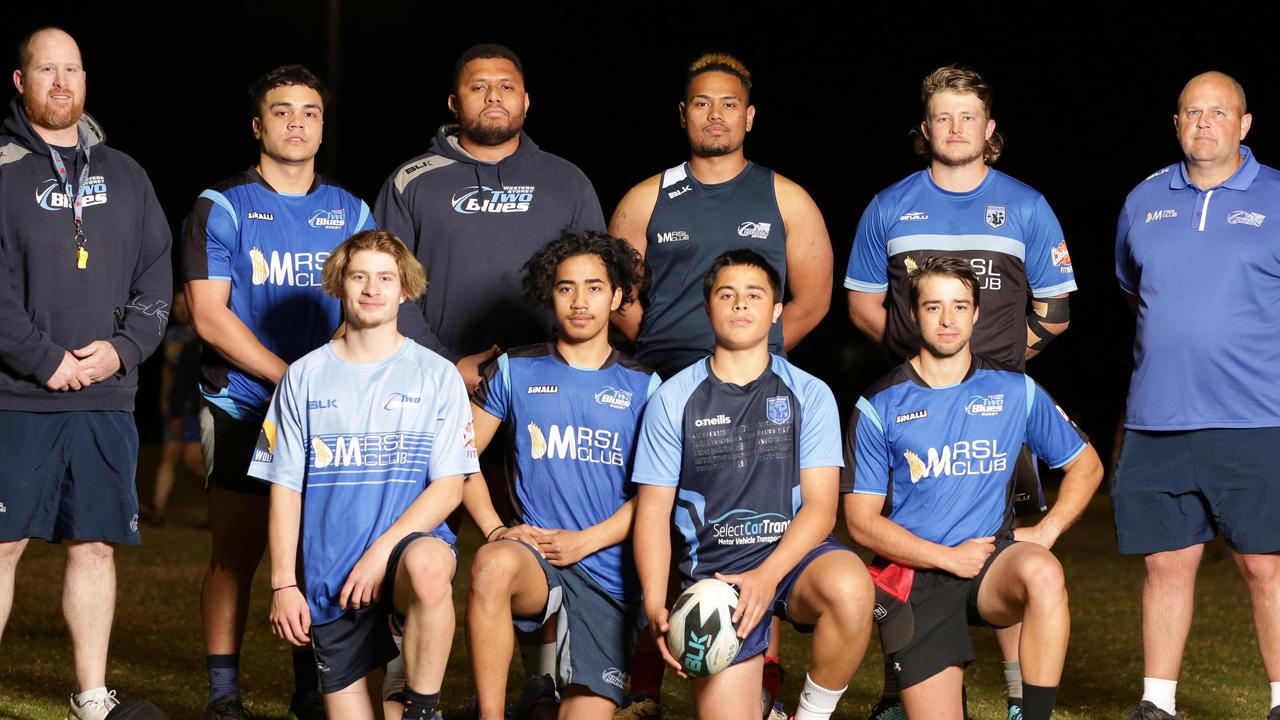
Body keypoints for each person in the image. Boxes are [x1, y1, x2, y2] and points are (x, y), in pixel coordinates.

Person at [843, 65, 1077, 720]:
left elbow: (1055, 313)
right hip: (917, 394)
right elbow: (862, 301)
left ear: (990, 128)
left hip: (996, 401)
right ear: (925, 128)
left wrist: (998, 364)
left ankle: (1015, 694)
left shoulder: (1026, 205)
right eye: (943, 116)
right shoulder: (890, 205)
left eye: (968, 116)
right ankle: (905, 680)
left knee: (1004, 541)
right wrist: (915, 353)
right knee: (908, 523)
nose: (955, 128)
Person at [183, 64, 375, 719]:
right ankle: (224, 696)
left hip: (325, 411)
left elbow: (368, 303)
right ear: (258, 124)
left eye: (310, 111)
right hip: (242, 402)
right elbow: (210, 315)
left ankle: (312, 689)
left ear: (323, 125)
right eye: (283, 110)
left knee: (317, 550)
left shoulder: (352, 211)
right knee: (236, 553)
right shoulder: (224, 204)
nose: (297, 121)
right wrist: (288, 375)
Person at [843, 256, 1103, 720]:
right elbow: (861, 524)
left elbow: (1087, 467)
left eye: (960, 306)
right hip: (916, 579)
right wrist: (946, 557)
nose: (948, 320)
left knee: (1043, 572)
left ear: (977, 313)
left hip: (990, 564)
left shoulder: (1013, 390)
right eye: (934, 307)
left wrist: (1046, 532)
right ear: (911, 313)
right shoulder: (879, 404)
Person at [0, 26, 171, 720]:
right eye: (47, 70)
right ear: (21, 82)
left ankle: (91, 696)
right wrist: (44, 361)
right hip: (16, 396)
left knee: (96, 545)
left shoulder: (126, 174)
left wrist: (123, 349)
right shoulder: (2, 168)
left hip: (107, 395)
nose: (61, 82)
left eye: (71, 69)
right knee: (3, 544)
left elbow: (156, 273)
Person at [632, 249, 873, 720]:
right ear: (708, 309)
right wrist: (657, 603)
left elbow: (822, 508)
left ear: (776, 311)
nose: (740, 304)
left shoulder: (810, 392)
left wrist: (768, 576)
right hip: (718, 580)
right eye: (727, 294)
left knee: (851, 585)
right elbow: (653, 513)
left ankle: (810, 715)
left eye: (754, 295)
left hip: (797, 561)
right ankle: (759, 700)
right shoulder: (672, 399)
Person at [251, 229, 477, 720]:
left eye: (385, 278)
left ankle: (422, 709)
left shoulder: (437, 376)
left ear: (405, 289)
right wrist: (283, 584)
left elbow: (449, 486)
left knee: (431, 566)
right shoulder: (303, 377)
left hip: (401, 560)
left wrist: (380, 554)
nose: (372, 289)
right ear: (339, 284)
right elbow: (285, 488)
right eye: (360, 276)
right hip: (332, 581)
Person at [1113, 71, 1280, 720]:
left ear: (1244, 124)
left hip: (1257, 419)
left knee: (1265, 568)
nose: (1204, 122)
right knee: (1165, 563)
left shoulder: (1276, 197)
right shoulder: (1143, 200)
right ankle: (1158, 704)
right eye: (1191, 112)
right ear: (1177, 123)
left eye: (1218, 112)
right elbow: (1136, 291)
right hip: (1159, 418)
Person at [463, 230, 659, 720]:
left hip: (607, 574)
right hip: (536, 558)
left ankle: (546, 694)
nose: (579, 301)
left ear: (616, 297)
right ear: (550, 295)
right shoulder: (514, 369)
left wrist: (585, 541)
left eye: (594, 287)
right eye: (566, 287)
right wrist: (495, 529)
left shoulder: (645, 385)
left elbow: (656, 497)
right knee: (491, 564)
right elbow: (456, 459)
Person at [375, 42, 605, 392]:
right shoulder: (411, 181)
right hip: (436, 382)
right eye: (479, 87)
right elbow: (385, 288)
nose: (494, 97)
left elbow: (597, 285)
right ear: (454, 103)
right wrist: (446, 367)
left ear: (525, 101)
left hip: (549, 382)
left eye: (506, 87)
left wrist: (566, 364)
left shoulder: (568, 181)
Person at [610, 53, 832, 380]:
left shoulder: (789, 200)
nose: (716, 115)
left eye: (729, 105)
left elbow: (813, 303)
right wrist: (656, 344)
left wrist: (757, 351)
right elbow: (612, 292)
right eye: (702, 104)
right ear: (684, 114)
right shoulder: (643, 200)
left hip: (754, 383)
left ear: (749, 116)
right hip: (662, 378)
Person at [143, 288, 204, 527]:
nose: (179, 309)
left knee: (192, 460)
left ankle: (218, 497)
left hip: (194, 405)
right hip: (177, 403)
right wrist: (165, 400)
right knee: (169, 455)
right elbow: (168, 372)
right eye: (175, 305)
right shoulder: (171, 337)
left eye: (183, 304)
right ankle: (157, 509)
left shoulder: (203, 333)